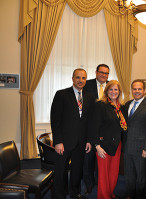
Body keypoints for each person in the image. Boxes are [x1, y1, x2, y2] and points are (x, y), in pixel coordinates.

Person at [51, 68, 94, 199]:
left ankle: (75, 193)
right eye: (78, 77)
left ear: (86, 80)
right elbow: (55, 119)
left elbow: (89, 121)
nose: (81, 80)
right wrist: (58, 141)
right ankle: (59, 195)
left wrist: (89, 140)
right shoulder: (61, 94)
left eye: (83, 78)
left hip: (81, 142)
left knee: (77, 170)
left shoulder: (89, 97)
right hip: (64, 142)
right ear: (72, 78)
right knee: (60, 171)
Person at [90, 80, 127, 199]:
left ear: (119, 92)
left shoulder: (121, 107)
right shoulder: (101, 105)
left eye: (116, 89)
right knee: (103, 174)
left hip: (117, 144)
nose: (113, 92)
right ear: (106, 91)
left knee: (113, 173)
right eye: (111, 89)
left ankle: (110, 193)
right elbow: (93, 126)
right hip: (103, 145)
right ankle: (103, 196)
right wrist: (97, 146)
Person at [124, 79, 146, 199]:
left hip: (141, 149)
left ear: (144, 91)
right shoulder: (127, 104)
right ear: (131, 90)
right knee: (128, 175)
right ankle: (129, 195)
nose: (137, 91)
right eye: (134, 89)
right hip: (127, 147)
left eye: (139, 89)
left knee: (141, 177)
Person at [83, 64, 110, 194]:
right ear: (96, 72)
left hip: (104, 129)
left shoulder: (112, 86)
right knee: (88, 159)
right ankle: (88, 184)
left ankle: (101, 183)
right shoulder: (86, 85)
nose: (104, 75)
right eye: (101, 72)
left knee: (102, 159)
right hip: (89, 127)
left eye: (106, 73)